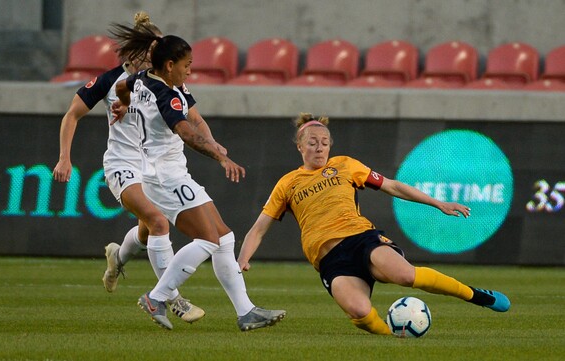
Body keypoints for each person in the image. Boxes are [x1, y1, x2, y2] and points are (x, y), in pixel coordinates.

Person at [237, 113, 511, 335]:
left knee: (405, 275)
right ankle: (392, 340)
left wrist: (438, 203)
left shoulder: (345, 165)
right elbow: (259, 228)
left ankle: (477, 296)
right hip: (330, 260)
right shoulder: (287, 183)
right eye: (312, 142)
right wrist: (242, 260)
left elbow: (392, 186)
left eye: (324, 141)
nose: (319, 146)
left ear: (330, 145)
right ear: (299, 146)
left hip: (361, 239)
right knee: (359, 311)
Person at [109, 23, 286, 331]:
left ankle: (246, 312)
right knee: (208, 239)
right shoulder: (168, 95)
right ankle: (157, 297)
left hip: (170, 174)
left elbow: (123, 87)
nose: (190, 72)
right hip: (166, 178)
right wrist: (221, 157)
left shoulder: (142, 80)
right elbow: (186, 132)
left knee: (224, 237)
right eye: (186, 66)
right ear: (169, 65)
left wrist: (123, 104)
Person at [52, 12, 211, 323]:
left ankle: (117, 258)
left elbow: (194, 119)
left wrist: (214, 147)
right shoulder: (111, 81)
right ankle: (170, 298)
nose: (154, 57)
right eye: (149, 51)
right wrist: (64, 157)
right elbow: (72, 114)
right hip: (122, 165)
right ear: (134, 52)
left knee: (146, 229)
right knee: (157, 222)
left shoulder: (168, 84)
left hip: (155, 168)